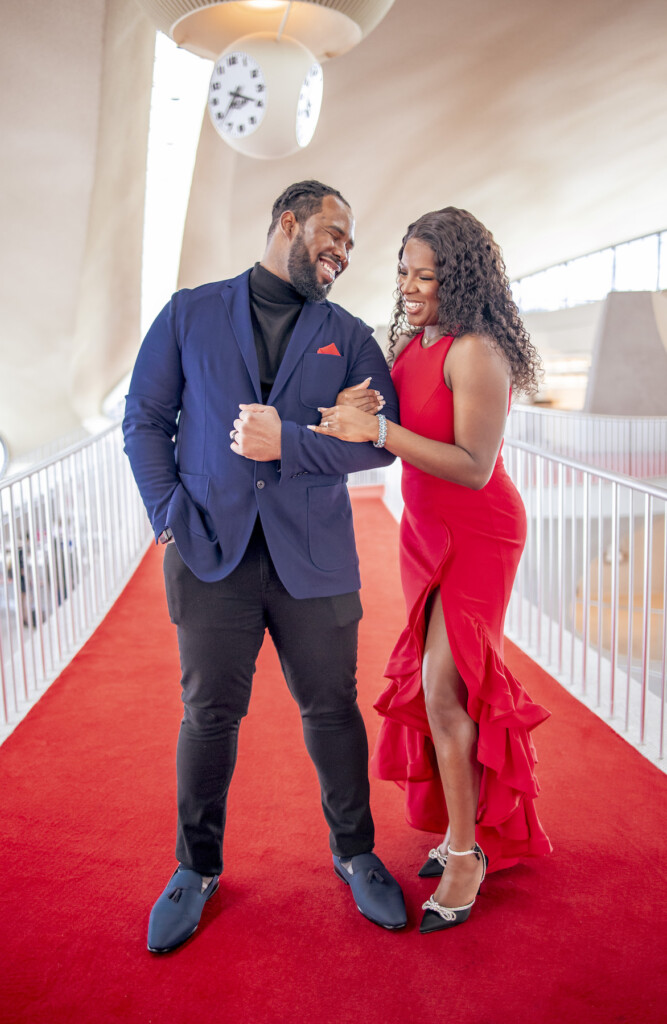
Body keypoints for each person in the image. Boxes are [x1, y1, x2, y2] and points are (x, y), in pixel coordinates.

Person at [123, 180, 406, 954]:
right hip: (208, 551)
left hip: (314, 557)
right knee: (208, 716)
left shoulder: (346, 334)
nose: (343, 251)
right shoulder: (188, 312)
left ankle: (355, 852)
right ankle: (195, 866)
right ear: (290, 221)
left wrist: (293, 440)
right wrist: (167, 516)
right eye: (334, 233)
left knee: (331, 709)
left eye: (350, 242)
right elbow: (145, 420)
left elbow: (383, 439)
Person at [310, 207, 552, 933]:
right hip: (424, 532)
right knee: (438, 686)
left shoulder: (475, 351)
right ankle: (461, 832)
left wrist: (381, 429)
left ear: (462, 278)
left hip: (477, 534)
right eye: (404, 273)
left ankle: (465, 852)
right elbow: (397, 431)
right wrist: (363, 410)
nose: (410, 287)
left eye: (427, 276)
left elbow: (474, 469)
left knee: (445, 691)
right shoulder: (418, 340)